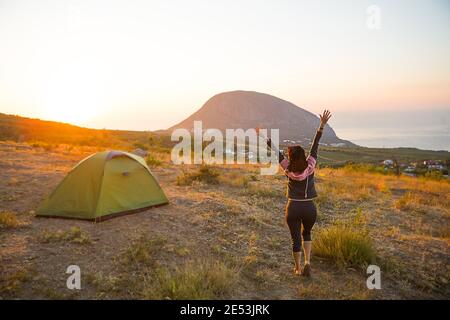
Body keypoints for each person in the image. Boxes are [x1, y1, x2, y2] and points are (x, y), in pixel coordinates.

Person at [259, 110, 332, 277]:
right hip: (309, 207)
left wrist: (265, 138)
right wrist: (321, 125)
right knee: (307, 233)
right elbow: (315, 145)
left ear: (291, 158)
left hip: (292, 207)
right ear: (304, 156)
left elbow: (277, 153)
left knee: (295, 239)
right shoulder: (310, 165)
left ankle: (298, 268)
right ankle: (308, 262)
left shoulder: (287, 168)